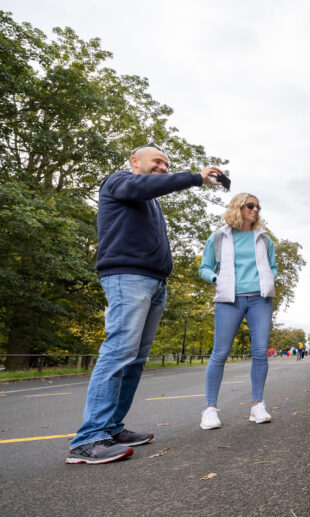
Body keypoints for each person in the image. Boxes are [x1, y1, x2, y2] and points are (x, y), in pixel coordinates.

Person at [66, 144, 223, 464]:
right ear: (134, 161)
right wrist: (195, 177)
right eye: (157, 161)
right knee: (119, 350)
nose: (163, 167)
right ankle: (88, 439)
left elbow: (151, 191)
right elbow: (146, 185)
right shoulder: (119, 181)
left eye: (167, 164)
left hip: (153, 283)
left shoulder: (147, 200)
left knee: (135, 358)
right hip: (127, 278)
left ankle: (110, 428)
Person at [198, 193, 278, 430]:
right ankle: (210, 410)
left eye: (258, 207)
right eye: (250, 205)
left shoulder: (264, 239)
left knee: (261, 351)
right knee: (220, 353)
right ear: (238, 208)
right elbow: (204, 267)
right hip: (229, 300)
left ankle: (257, 406)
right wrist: (216, 279)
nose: (255, 210)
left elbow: (272, 267)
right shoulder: (219, 238)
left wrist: (269, 279)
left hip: (259, 300)